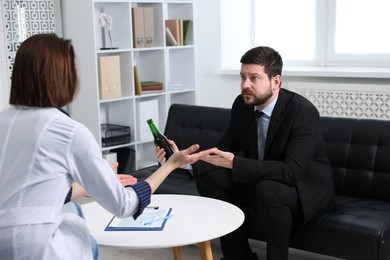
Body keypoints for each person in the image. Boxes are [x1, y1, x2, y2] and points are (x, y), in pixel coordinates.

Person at [0, 33, 216, 260]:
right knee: (83, 234)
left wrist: (87, 186)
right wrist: (171, 165)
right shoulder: (69, 132)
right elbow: (125, 205)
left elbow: (31, 190)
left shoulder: (4, 121)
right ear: (62, 78)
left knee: (73, 213)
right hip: (32, 248)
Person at [156, 46, 335, 260]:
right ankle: (238, 256)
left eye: (254, 78)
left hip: (303, 188)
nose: (245, 85)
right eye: (242, 77)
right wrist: (181, 162)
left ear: (276, 81)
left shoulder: (302, 112)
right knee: (209, 176)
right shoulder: (242, 105)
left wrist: (236, 164)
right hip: (260, 181)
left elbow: (291, 172)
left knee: (268, 190)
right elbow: (223, 152)